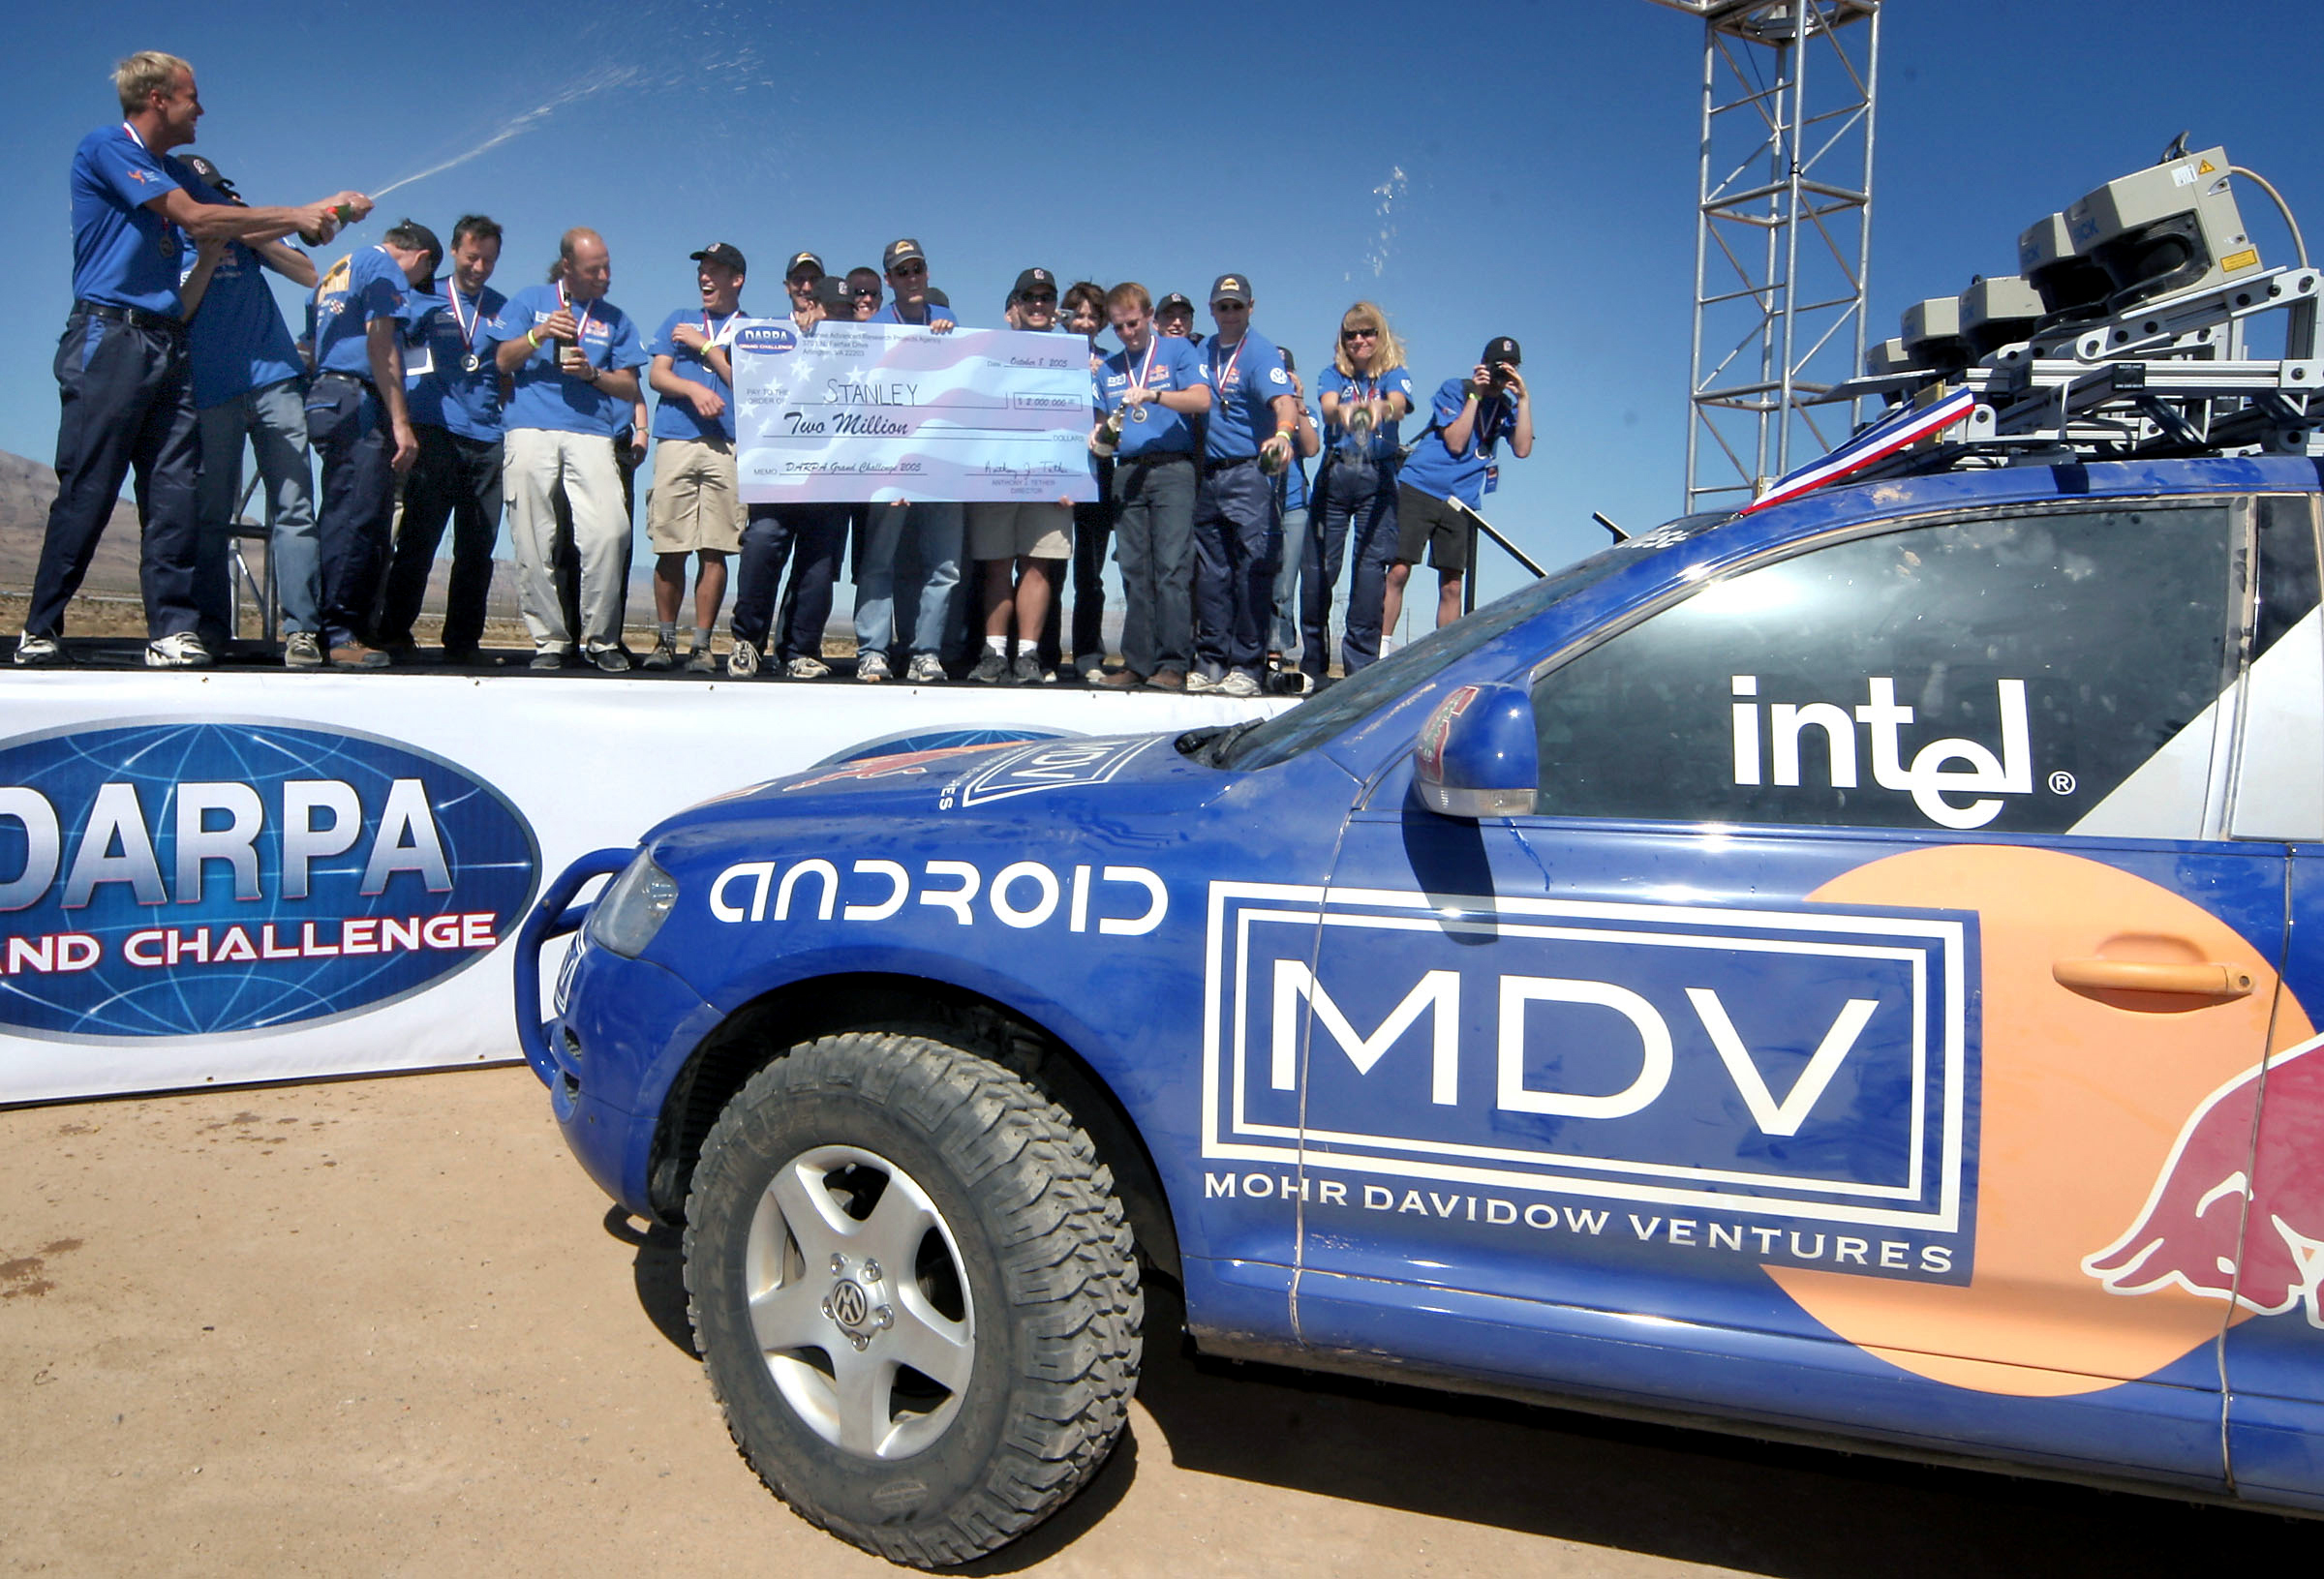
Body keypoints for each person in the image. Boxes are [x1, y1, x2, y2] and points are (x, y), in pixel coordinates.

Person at [19, 49, 365, 669]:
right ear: (158, 99)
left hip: (170, 343)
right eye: (191, 96)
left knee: (174, 490)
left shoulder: (176, 172)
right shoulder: (107, 147)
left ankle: (172, 630)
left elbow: (253, 226)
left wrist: (329, 213)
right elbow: (199, 218)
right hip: (110, 336)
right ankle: (41, 625)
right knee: (91, 486)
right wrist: (300, 211)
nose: (200, 107)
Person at [172, 152, 323, 667]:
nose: (219, 198)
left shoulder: (247, 234)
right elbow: (178, 312)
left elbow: (308, 274)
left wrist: (252, 231)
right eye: (207, 192)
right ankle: (211, 628)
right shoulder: (167, 241)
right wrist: (209, 253)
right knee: (211, 512)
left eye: (221, 190)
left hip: (276, 380)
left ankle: (302, 630)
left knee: (295, 507)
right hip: (211, 388)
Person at [484, 228, 649, 671]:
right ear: (567, 269)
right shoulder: (528, 300)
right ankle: (552, 640)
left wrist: (593, 375)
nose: (605, 276)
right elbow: (501, 361)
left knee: (610, 530)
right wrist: (538, 335)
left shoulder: (615, 319)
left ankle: (601, 639)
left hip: (590, 432)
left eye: (607, 266)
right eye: (594, 269)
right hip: (529, 427)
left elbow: (630, 385)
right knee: (533, 534)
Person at [376, 214, 507, 663]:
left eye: (489, 260)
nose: (479, 267)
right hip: (434, 429)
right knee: (419, 538)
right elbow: (392, 349)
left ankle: (463, 642)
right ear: (453, 252)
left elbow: (506, 369)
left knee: (478, 546)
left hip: (488, 436)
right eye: (473, 257)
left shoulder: (502, 308)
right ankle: (393, 631)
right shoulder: (421, 296)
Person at [306, 221, 435, 668]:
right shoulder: (384, 269)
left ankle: (345, 627)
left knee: (346, 509)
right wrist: (401, 421)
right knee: (356, 518)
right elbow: (383, 345)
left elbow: (311, 340)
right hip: (359, 398)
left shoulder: (337, 269)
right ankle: (338, 633)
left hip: (327, 394)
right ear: (420, 259)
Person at [1090, 282, 1209, 690]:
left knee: (1172, 568)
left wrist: (1157, 395)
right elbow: (1100, 422)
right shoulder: (1109, 369)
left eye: (1134, 323)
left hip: (1174, 469)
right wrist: (1098, 438)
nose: (1128, 333)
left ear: (1149, 318)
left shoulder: (1177, 351)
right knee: (1133, 571)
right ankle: (1136, 663)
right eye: (1120, 327)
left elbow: (1201, 400)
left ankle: (1173, 663)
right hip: (1128, 471)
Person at [730, 273, 849, 681]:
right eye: (831, 308)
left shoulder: (864, 351)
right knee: (761, 545)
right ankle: (747, 642)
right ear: (813, 306)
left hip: (831, 479)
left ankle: (800, 649)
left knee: (818, 568)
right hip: (777, 474)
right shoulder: (784, 339)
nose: (838, 317)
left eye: (846, 311)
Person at [1188, 273, 1300, 698]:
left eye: (1237, 306)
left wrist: (1284, 433)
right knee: (1212, 573)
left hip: (1250, 471)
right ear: (1212, 310)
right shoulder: (1204, 350)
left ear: (1250, 308)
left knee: (1251, 570)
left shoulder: (1260, 352)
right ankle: (1211, 660)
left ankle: (1247, 666)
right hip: (1210, 473)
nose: (1229, 313)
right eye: (1222, 306)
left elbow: (1283, 401)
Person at [855, 238, 960, 683]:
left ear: (927, 272)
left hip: (942, 463)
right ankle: (872, 650)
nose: (912, 276)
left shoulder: (949, 322)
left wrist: (948, 342)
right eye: (902, 271)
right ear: (889, 280)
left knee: (945, 565)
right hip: (889, 465)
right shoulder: (873, 328)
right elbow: (862, 401)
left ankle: (925, 650)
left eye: (917, 268)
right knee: (881, 559)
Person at [642, 242, 749, 672]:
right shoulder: (678, 319)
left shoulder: (751, 329)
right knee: (670, 545)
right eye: (702, 271)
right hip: (677, 440)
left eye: (715, 271)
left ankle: (702, 645)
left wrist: (706, 349)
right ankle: (665, 641)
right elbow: (657, 374)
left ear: (736, 279)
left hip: (728, 444)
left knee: (716, 548)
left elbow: (748, 385)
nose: (705, 278)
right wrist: (693, 389)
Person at [966, 267, 1072, 684]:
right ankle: (994, 652)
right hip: (997, 474)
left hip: (1051, 480)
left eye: (1046, 298)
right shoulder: (989, 352)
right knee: (996, 565)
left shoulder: (1072, 355)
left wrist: (1074, 477)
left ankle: (1027, 654)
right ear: (1017, 305)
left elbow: (1087, 422)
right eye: (1031, 297)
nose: (1039, 305)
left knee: (1038, 566)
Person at [1391, 336, 1534, 634]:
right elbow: (1456, 442)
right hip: (1421, 486)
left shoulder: (1507, 407)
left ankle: (1442, 656)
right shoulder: (1455, 388)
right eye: (1499, 366)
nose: (1503, 373)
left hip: (1462, 501)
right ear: (1483, 365)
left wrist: (1523, 399)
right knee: (1399, 569)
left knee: (1453, 584)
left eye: (1511, 367)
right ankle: (1379, 650)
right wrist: (1476, 396)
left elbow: (1522, 450)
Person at [1308, 300, 1414, 681]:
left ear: (1379, 335)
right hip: (1337, 473)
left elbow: (1400, 406)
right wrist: (1345, 412)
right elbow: (1328, 407)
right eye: (1351, 334)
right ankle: (1313, 663)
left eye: (1368, 332)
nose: (1359, 340)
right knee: (1321, 567)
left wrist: (1371, 412)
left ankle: (1360, 669)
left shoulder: (1393, 374)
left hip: (1378, 475)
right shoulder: (1332, 374)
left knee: (1370, 570)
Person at [1056, 280, 1114, 682]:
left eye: (1094, 316)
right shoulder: (1042, 356)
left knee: (1090, 573)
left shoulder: (1112, 364)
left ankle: (1088, 654)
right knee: (1046, 564)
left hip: (1097, 474)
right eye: (1079, 314)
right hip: (1051, 473)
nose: (1085, 322)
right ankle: (1041, 653)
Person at [1263, 344, 1321, 691]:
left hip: (1294, 503)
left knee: (1284, 585)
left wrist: (1297, 402)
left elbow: (1312, 448)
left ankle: (1277, 651)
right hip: (1258, 499)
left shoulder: (1303, 411)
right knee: (1255, 575)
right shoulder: (1259, 409)